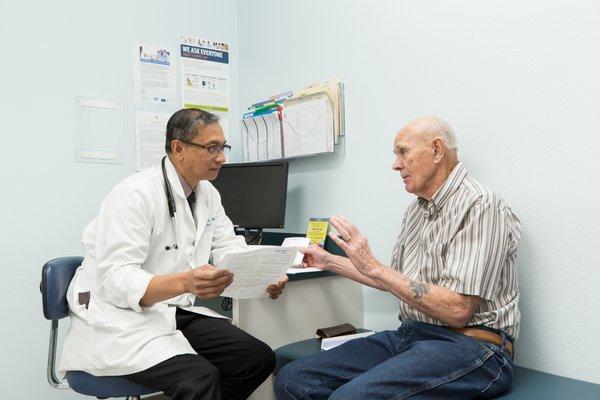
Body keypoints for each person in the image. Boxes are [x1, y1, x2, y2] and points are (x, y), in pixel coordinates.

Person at [276, 116, 521, 399]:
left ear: (437, 150)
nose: (395, 164)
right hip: (412, 335)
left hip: (475, 347)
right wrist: (329, 261)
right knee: (293, 379)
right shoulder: (417, 211)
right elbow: (395, 281)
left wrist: (374, 266)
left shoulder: (481, 206)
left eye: (402, 152)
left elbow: (457, 311)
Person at [59, 108, 288, 400]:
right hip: (118, 316)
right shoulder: (134, 194)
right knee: (199, 378)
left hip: (171, 308)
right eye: (211, 148)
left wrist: (262, 274)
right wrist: (185, 282)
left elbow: (228, 248)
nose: (222, 158)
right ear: (178, 148)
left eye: (223, 147)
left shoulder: (207, 194)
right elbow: (116, 280)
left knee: (256, 359)